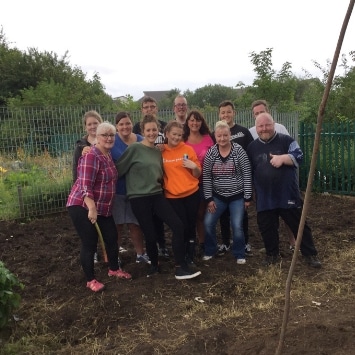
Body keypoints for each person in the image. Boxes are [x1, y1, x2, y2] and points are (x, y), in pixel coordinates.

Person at [116, 114, 201, 280]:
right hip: (139, 198)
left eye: (154, 129)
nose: (151, 132)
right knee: (150, 233)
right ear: (143, 131)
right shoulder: (134, 149)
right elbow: (119, 170)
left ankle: (180, 266)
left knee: (177, 226)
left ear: (159, 131)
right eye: (148, 130)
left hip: (157, 195)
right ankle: (154, 266)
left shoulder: (158, 150)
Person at [246, 113, 321, 268]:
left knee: (298, 225)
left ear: (274, 125)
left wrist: (283, 158)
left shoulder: (286, 141)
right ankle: (272, 255)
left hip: (287, 193)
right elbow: (249, 171)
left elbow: (299, 156)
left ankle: (310, 254)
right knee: (267, 227)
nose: (264, 129)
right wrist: (251, 192)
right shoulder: (252, 147)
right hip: (264, 196)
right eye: (260, 126)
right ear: (256, 127)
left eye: (267, 125)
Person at [67, 121, 132, 293]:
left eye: (111, 135)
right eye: (105, 135)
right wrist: (91, 208)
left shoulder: (108, 155)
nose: (109, 138)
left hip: (103, 207)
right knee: (90, 242)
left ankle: (113, 269)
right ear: (97, 137)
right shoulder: (91, 155)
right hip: (82, 205)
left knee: (111, 237)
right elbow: (84, 184)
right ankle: (90, 280)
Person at [202, 120, 252, 264]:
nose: (222, 139)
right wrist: (209, 198)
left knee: (237, 224)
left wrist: (247, 197)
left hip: (237, 196)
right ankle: (211, 249)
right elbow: (206, 176)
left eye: (225, 135)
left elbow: (247, 173)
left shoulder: (238, 151)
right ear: (215, 137)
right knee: (208, 222)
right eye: (219, 136)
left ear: (230, 135)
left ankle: (239, 253)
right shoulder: (212, 153)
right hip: (218, 196)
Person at [250, 99, 296, 252]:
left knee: (291, 217)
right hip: (264, 189)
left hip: (284, 186)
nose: (263, 127)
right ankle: (272, 251)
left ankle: (295, 243)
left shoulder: (281, 129)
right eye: (256, 114)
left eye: (262, 112)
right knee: (268, 222)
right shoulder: (251, 132)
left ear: (268, 112)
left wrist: (283, 159)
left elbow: (294, 154)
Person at [110, 111, 150, 264]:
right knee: (117, 225)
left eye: (127, 123)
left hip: (137, 191)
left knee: (135, 224)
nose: (125, 126)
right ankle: (115, 257)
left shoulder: (141, 140)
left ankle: (140, 254)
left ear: (132, 124)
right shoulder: (112, 142)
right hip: (118, 190)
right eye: (121, 124)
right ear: (116, 127)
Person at [217, 100, 254, 257]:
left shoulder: (243, 132)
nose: (226, 114)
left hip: (240, 183)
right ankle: (226, 242)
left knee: (241, 215)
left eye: (228, 111)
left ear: (234, 113)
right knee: (223, 215)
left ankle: (244, 242)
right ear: (219, 114)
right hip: (222, 182)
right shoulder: (218, 133)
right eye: (223, 112)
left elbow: (252, 153)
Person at [132, 96, 168, 258]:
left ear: (157, 108)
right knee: (145, 221)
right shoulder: (135, 129)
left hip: (162, 177)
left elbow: (174, 143)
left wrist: (164, 147)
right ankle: (149, 249)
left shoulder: (165, 126)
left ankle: (162, 245)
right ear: (142, 110)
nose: (149, 109)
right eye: (146, 107)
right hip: (143, 182)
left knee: (160, 217)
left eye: (152, 106)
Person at [162, 120, 202, 266]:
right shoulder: (161, 151)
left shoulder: (188, 149)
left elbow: (197, 174)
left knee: (191, 225)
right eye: (174, 134)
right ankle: (181, 255)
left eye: (179, 135)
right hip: (173, 196)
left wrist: (194, 167)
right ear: (167, 134)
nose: (177, 137)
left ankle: (190, 255)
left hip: (191, 194)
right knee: (181, 226)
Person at [183, 110, 214, 255]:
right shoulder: (182, 139)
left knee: (201, 214)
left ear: (201, 122)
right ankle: (190, 242)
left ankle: (203, 242)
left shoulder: (208, 139)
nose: (194, 123)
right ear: (187, 122)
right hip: (187, 183)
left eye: (197, 120)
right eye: (192, 120)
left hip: (205, 182)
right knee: (190, 215)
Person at [72, 110, 102, 182]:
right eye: (89, 124)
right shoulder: (80, 146)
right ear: (85, 127)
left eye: (95, 123)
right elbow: (76, 169)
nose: (93, 126)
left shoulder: (107, 142)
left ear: (101, 124)